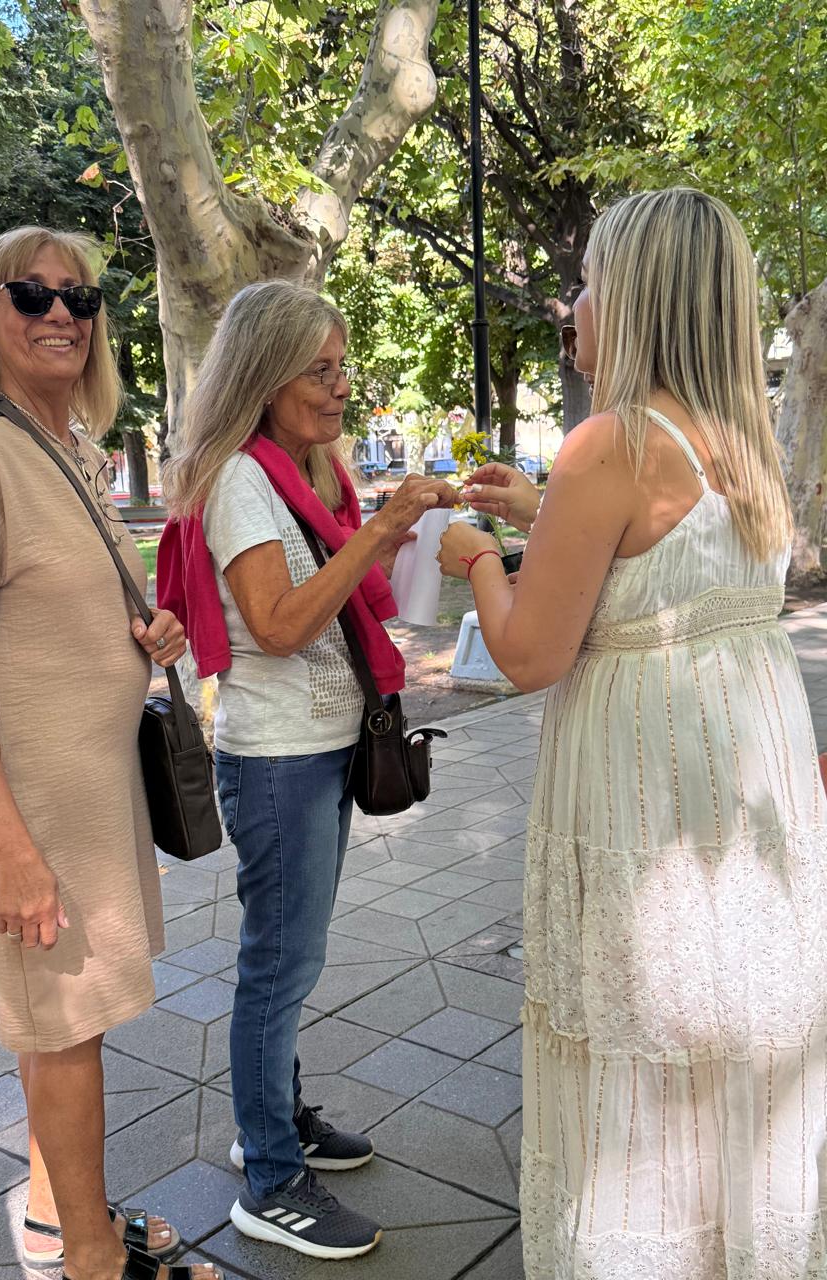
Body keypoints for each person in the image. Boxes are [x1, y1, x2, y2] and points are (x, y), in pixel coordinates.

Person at [439, 188, 827, 1276]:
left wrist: (478, 558)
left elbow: (530, 653)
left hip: (641, 782)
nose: (575, 303)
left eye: (591, 282)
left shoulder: (608, 442)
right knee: (729, 1013)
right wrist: (541, 514)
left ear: (640, 300)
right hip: (745, 777)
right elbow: (667, 562)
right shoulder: (745, 445)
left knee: (641, 1025)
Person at [0, 226, 221, 1280]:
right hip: (37, 805)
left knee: (64, 1022)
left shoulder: (71, 447)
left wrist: (146, 633)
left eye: (80, 299)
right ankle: (92, 1258)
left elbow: (54, 609)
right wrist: (11, 849)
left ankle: (56, 1214)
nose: (60, 314)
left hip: (95, 790)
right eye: (31, 294)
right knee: (66, 1026)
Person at [158, 280, 455, 1261]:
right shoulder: (241, 478)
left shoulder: (301, 473)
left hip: (321, 743)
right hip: (278, 754)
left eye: (342, 367)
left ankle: (273, 1118)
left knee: (293, 958)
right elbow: (281, 626)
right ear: (264, 377)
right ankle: (271, 1178)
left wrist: (391, 533)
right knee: (278, 965)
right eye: (319, 371)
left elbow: (331, 595)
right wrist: (377, 528)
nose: (341, 387)